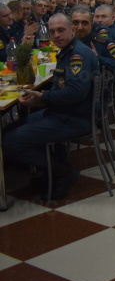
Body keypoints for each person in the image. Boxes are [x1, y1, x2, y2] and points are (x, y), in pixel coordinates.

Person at [2, 13, 99, 201]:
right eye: (52, 31)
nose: (56, 35)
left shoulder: (78, 54)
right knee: (8, 131)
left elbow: (75, 92)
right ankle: (51, 169)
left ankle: (61, 172)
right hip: (61, 112)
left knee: (11, 141)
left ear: (72, 30)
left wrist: (43, 97)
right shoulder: (67, 50)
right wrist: (41, 99)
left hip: (74, 118)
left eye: (61, 30)